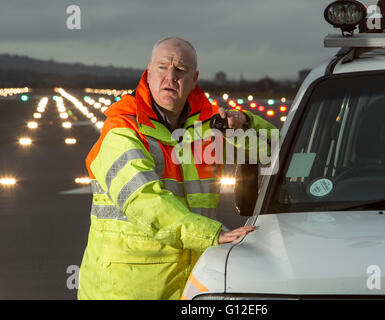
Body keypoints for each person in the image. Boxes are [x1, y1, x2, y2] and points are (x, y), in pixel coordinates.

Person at [77, 37, 275, 300]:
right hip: (125, 288)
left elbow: (276, 150)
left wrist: (246, 123)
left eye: (180, 70)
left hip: (190, 285)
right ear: (148, 73)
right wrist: (212, 234)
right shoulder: (123, 130)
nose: (170, 76)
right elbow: (144, 200)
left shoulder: (210, 125)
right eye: (162, 67)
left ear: (194, 78)